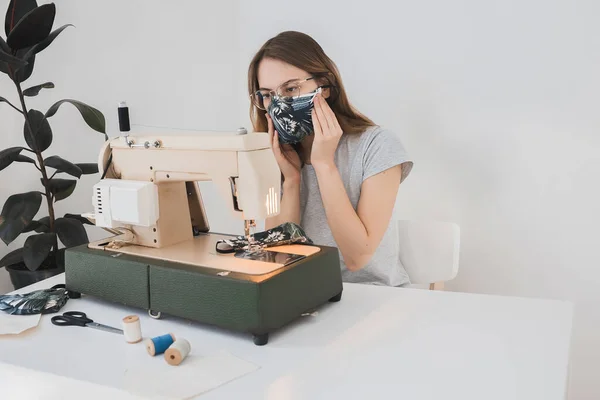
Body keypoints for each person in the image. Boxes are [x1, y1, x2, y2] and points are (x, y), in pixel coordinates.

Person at [247, 31, 414, 287]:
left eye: (291, 88)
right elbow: (276, 259)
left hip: (374, 296)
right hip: (305, 294)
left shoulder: (377, 145)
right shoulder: (277, 155)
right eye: (268, 95)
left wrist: (324, 165)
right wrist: (291, 181)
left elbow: (358, 259)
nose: (279, 103)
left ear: (323, 86)